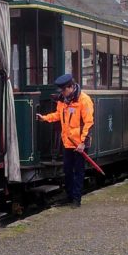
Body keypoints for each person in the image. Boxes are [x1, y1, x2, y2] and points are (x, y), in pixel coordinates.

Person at [36, 74, 94, 207]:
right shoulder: (63, 100)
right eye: (61, 90)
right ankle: (69, 196)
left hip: (79, 143)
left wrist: (82, 143)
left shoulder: (84, 100)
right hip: (68, 142)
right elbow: (58, 115)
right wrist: (44, 118)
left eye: (64, 90)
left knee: (78, 172)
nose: (62, 92)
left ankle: (76, 199)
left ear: (72, 87)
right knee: (67, 170)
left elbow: (88, 123)